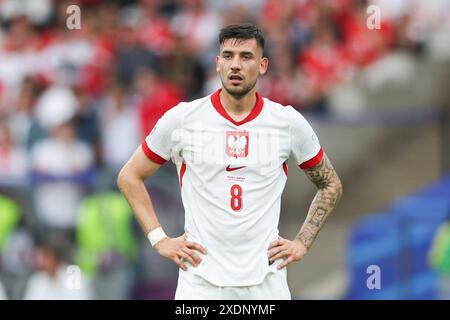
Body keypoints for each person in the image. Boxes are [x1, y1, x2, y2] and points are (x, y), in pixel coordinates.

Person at [117, 23, 343, 300]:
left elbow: (330, 184)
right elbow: (129, 176)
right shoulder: (183, 119)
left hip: (266, 283)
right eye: (228, 56)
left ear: (262, 65)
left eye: (246, 57)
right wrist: (158, 239)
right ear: (217, 63)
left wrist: (302, 243)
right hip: (200, 282)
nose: (235, 65)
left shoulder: (287, 122)